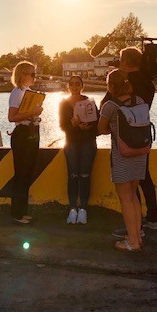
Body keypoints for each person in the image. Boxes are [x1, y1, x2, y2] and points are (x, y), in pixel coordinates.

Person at [100, 47, 157, 238]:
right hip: (142, 135)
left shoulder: (121, 83)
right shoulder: (148, 84)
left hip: (124, 140)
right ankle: (152, 218)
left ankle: (135, 229)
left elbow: (105, 109)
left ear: (124, 60)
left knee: (128, 191)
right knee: (144, 177)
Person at [98, 69, 147, 251]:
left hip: (122, 155)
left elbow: (101, 129)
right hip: (140, 153)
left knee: (125, 199)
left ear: (111, 86)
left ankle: (132, 243)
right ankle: (136, 237)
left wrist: (113, 127)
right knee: (133, 196)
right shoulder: (140, 101)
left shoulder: (110, 106)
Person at [7, 61, 43, 225]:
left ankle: (22, 211)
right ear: (22, 75)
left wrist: (35, 115)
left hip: (31, 131)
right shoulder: (17, 92)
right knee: (21, 173)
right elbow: (12, 117)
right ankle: (16, 213)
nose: (34, 77)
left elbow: (27, 115)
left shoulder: (28, 92)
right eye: (31, 73)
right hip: (22, 134)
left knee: (27, 173)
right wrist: (32, 112)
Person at [59, 76, 98, 225]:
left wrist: (86, 126)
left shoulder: (90, 103)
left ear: (82, 86)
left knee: (85, 175)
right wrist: (75, 126)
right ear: (68, 86)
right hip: (71, 143)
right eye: (72, 84)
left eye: (77, 84)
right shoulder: (63, 104)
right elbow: (63, 126)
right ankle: (72, 209)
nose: (75, 87)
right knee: (73, 175)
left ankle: (83, 209)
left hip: (88, 143)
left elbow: (97, 124)